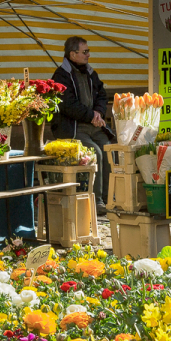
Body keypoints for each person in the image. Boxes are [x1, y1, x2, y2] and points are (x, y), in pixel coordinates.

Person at [50, 36, 112, 214]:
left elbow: (102, 95)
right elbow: (68, 105)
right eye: (85, 52)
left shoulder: (91, 73)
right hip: (72, 128)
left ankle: (110, 198)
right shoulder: (61, 75)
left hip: (93, 125)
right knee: (96, 152)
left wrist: (98, 113)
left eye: (88, 51)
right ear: (73, 54)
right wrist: (91, 115)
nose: (88, 55)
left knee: (108, 149)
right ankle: (97, 200)